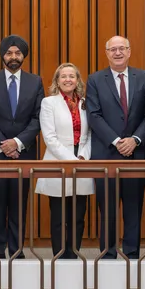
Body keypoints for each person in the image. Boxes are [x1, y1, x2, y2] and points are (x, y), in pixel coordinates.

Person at [85, 35, 145, 258]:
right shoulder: (95, 79)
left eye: (122, 48)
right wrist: (116, 141)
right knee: (107, 210)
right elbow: (94, 115)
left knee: (134, 208)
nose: (117, 53)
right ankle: (108, 253)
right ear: (106, 53)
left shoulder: (143, 77)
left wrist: (135, 140)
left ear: (129, 51)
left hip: (137, 153)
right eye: (112, 49)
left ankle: (132, 254)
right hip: (106, 154)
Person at [0, 35, 44, 259]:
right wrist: (3, 144)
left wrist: (17, 142)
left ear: (24, 56)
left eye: (18, 53)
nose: (13, 57)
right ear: (2, 55)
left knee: (19, 202)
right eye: (9, 53)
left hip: (24, 153)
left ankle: (17, 249)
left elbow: (38, 118)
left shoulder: (35, 82)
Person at [35, 63, 92, 259]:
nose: (68, 79)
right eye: (63, 76)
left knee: (78, 216)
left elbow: (91, 134)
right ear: (57, 81)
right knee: (59, 216)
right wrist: (71, 160)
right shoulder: (49, 103)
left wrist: (83, 157)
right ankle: (59, 255)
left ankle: (74, 253)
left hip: (83, 161)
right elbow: (49, 138)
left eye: (72, 76)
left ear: (78, 80)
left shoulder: (86, 103)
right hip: (58, 160)